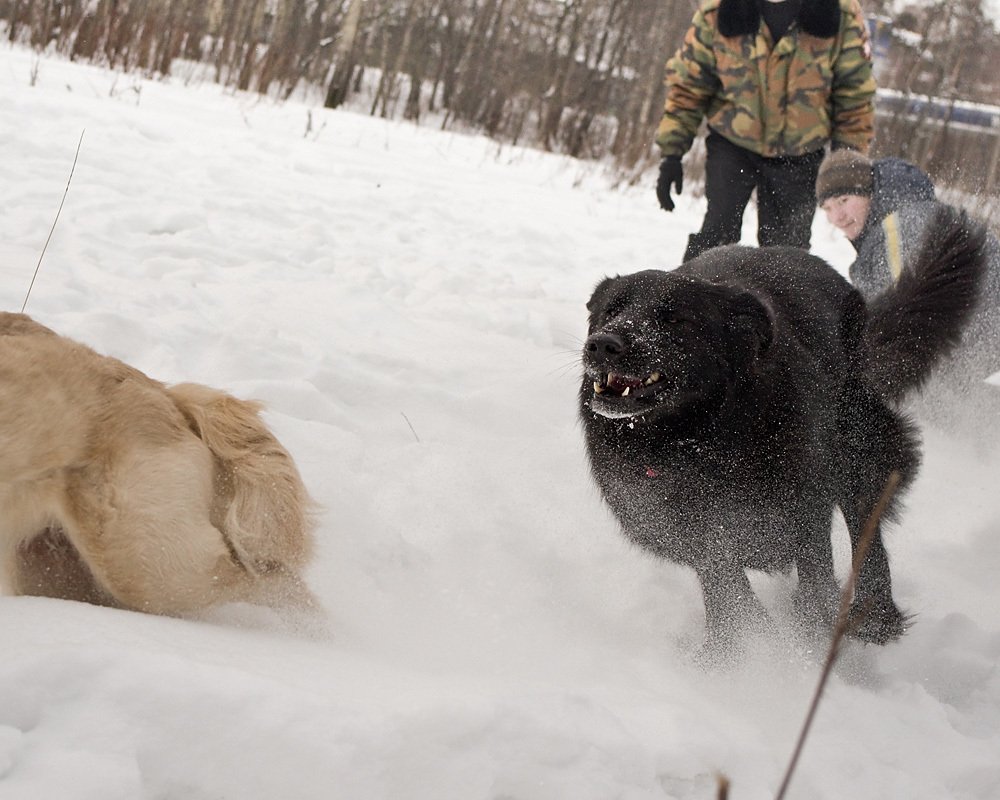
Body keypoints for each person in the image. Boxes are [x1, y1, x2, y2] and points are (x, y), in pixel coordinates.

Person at [654, 0, 876, 263]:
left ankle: (778, 304)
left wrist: (847, 166)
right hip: (732, 143)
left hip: (800, 153)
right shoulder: (719, 10)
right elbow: (690, 85)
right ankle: (695, 301)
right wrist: (672, 154)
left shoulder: (839, 14)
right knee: (716, 241)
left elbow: (854, 97)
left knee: (786, 258)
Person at [816, 148, 1000, 437]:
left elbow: (909, 327)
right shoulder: (905, 216)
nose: (837, 216)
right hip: (975, 333)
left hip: (974, 331)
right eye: (827, 208)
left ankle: (969, 449)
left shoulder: (897, 230)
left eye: (843, 200)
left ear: (868, 193)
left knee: (898, 383)